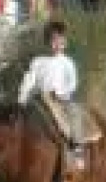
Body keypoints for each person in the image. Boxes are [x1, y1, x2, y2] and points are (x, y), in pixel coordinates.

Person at [17, 19, 84, 170]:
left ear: (65, 42)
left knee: (75, 112)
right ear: (48, 42)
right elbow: (29, 81)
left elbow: (73, 82)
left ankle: (77, 148)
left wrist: (61, 93)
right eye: (54, 40)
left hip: (61, 99)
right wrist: (22, 98)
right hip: (41, 99)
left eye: (60, 40)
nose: (57, 44)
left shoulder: (67, 62)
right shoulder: (38, 61)